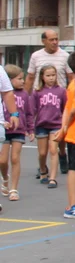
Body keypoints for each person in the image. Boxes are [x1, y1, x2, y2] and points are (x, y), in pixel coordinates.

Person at [54, 52, 75, 219]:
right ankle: (72, 205)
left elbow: (67, 109)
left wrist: (64, 128)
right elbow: (73, 110)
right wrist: (65, 128)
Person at [1, 65, 31, 204]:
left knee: (15, 158)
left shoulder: (24, 94)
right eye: (19, 78)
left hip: (18, 129)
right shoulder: (4, 94)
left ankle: (14, 189)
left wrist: (30, 129)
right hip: (5, 129)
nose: (23, 81)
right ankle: (5, 178)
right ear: (9, 80)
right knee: (2, 160)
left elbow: (29, 113)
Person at [32, 65, 66, 188]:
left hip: (56, 124)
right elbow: (33, 110)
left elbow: (65, 109)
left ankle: (52, 178)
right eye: (48, 75)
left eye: (53, 75)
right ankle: (43, 170)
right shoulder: (37, 92)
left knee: (53, 150)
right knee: (42, 153)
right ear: (42, 77)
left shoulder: (61, 91)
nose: (51, 78)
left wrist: (64, 125)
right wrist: (30, 127)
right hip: (41, 125)